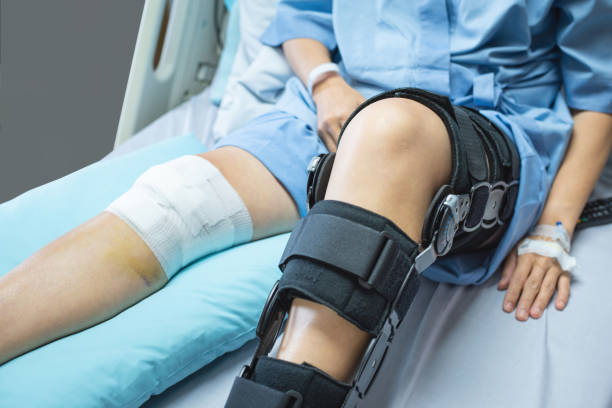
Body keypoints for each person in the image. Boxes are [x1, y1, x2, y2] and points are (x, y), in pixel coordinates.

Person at [0, 1, 611, 405]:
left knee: (391, 132)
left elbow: (599, 92)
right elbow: (302, 15)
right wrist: (325, 84)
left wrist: (552, 228)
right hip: (333, 114)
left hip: (481, 130)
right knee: (177, 204)